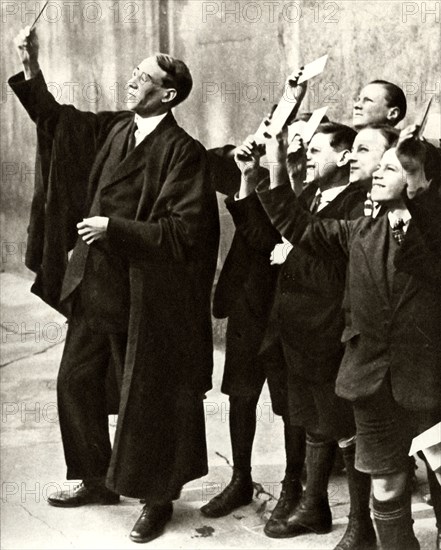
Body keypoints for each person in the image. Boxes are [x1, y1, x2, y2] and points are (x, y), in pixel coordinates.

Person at [10, 26, 219, 544]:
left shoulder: (183, 152)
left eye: (143, 77)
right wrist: (30, 63)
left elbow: (183, 232)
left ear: (167, 95)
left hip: (146, 298)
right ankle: (97, 478)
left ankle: (157, 498)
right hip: (95, 286)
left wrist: (114, 228)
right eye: (133, 73)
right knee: (75, 383)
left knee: (147, 399)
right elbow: (58, 123)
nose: (131, 81)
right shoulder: (116, 129)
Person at [257, 124, 441, 550]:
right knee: (387, 490)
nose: (377, 172)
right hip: (370, 379)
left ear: (420, 181)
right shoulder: (358, 231)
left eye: (393, 168)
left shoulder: (432, 236)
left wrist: (420, 185)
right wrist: (275, 157)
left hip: (429, 381)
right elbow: (294, 221)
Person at [201, 137, 307, 528]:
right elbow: (212, 164)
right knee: (241, 394)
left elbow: (265, 240)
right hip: (248, 302)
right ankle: (241, 478)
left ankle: (293, 484)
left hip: (285, 307)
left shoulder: (301, 188)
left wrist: (251, 187)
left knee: (289, 403)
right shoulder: (256, 171)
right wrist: (245, 162)